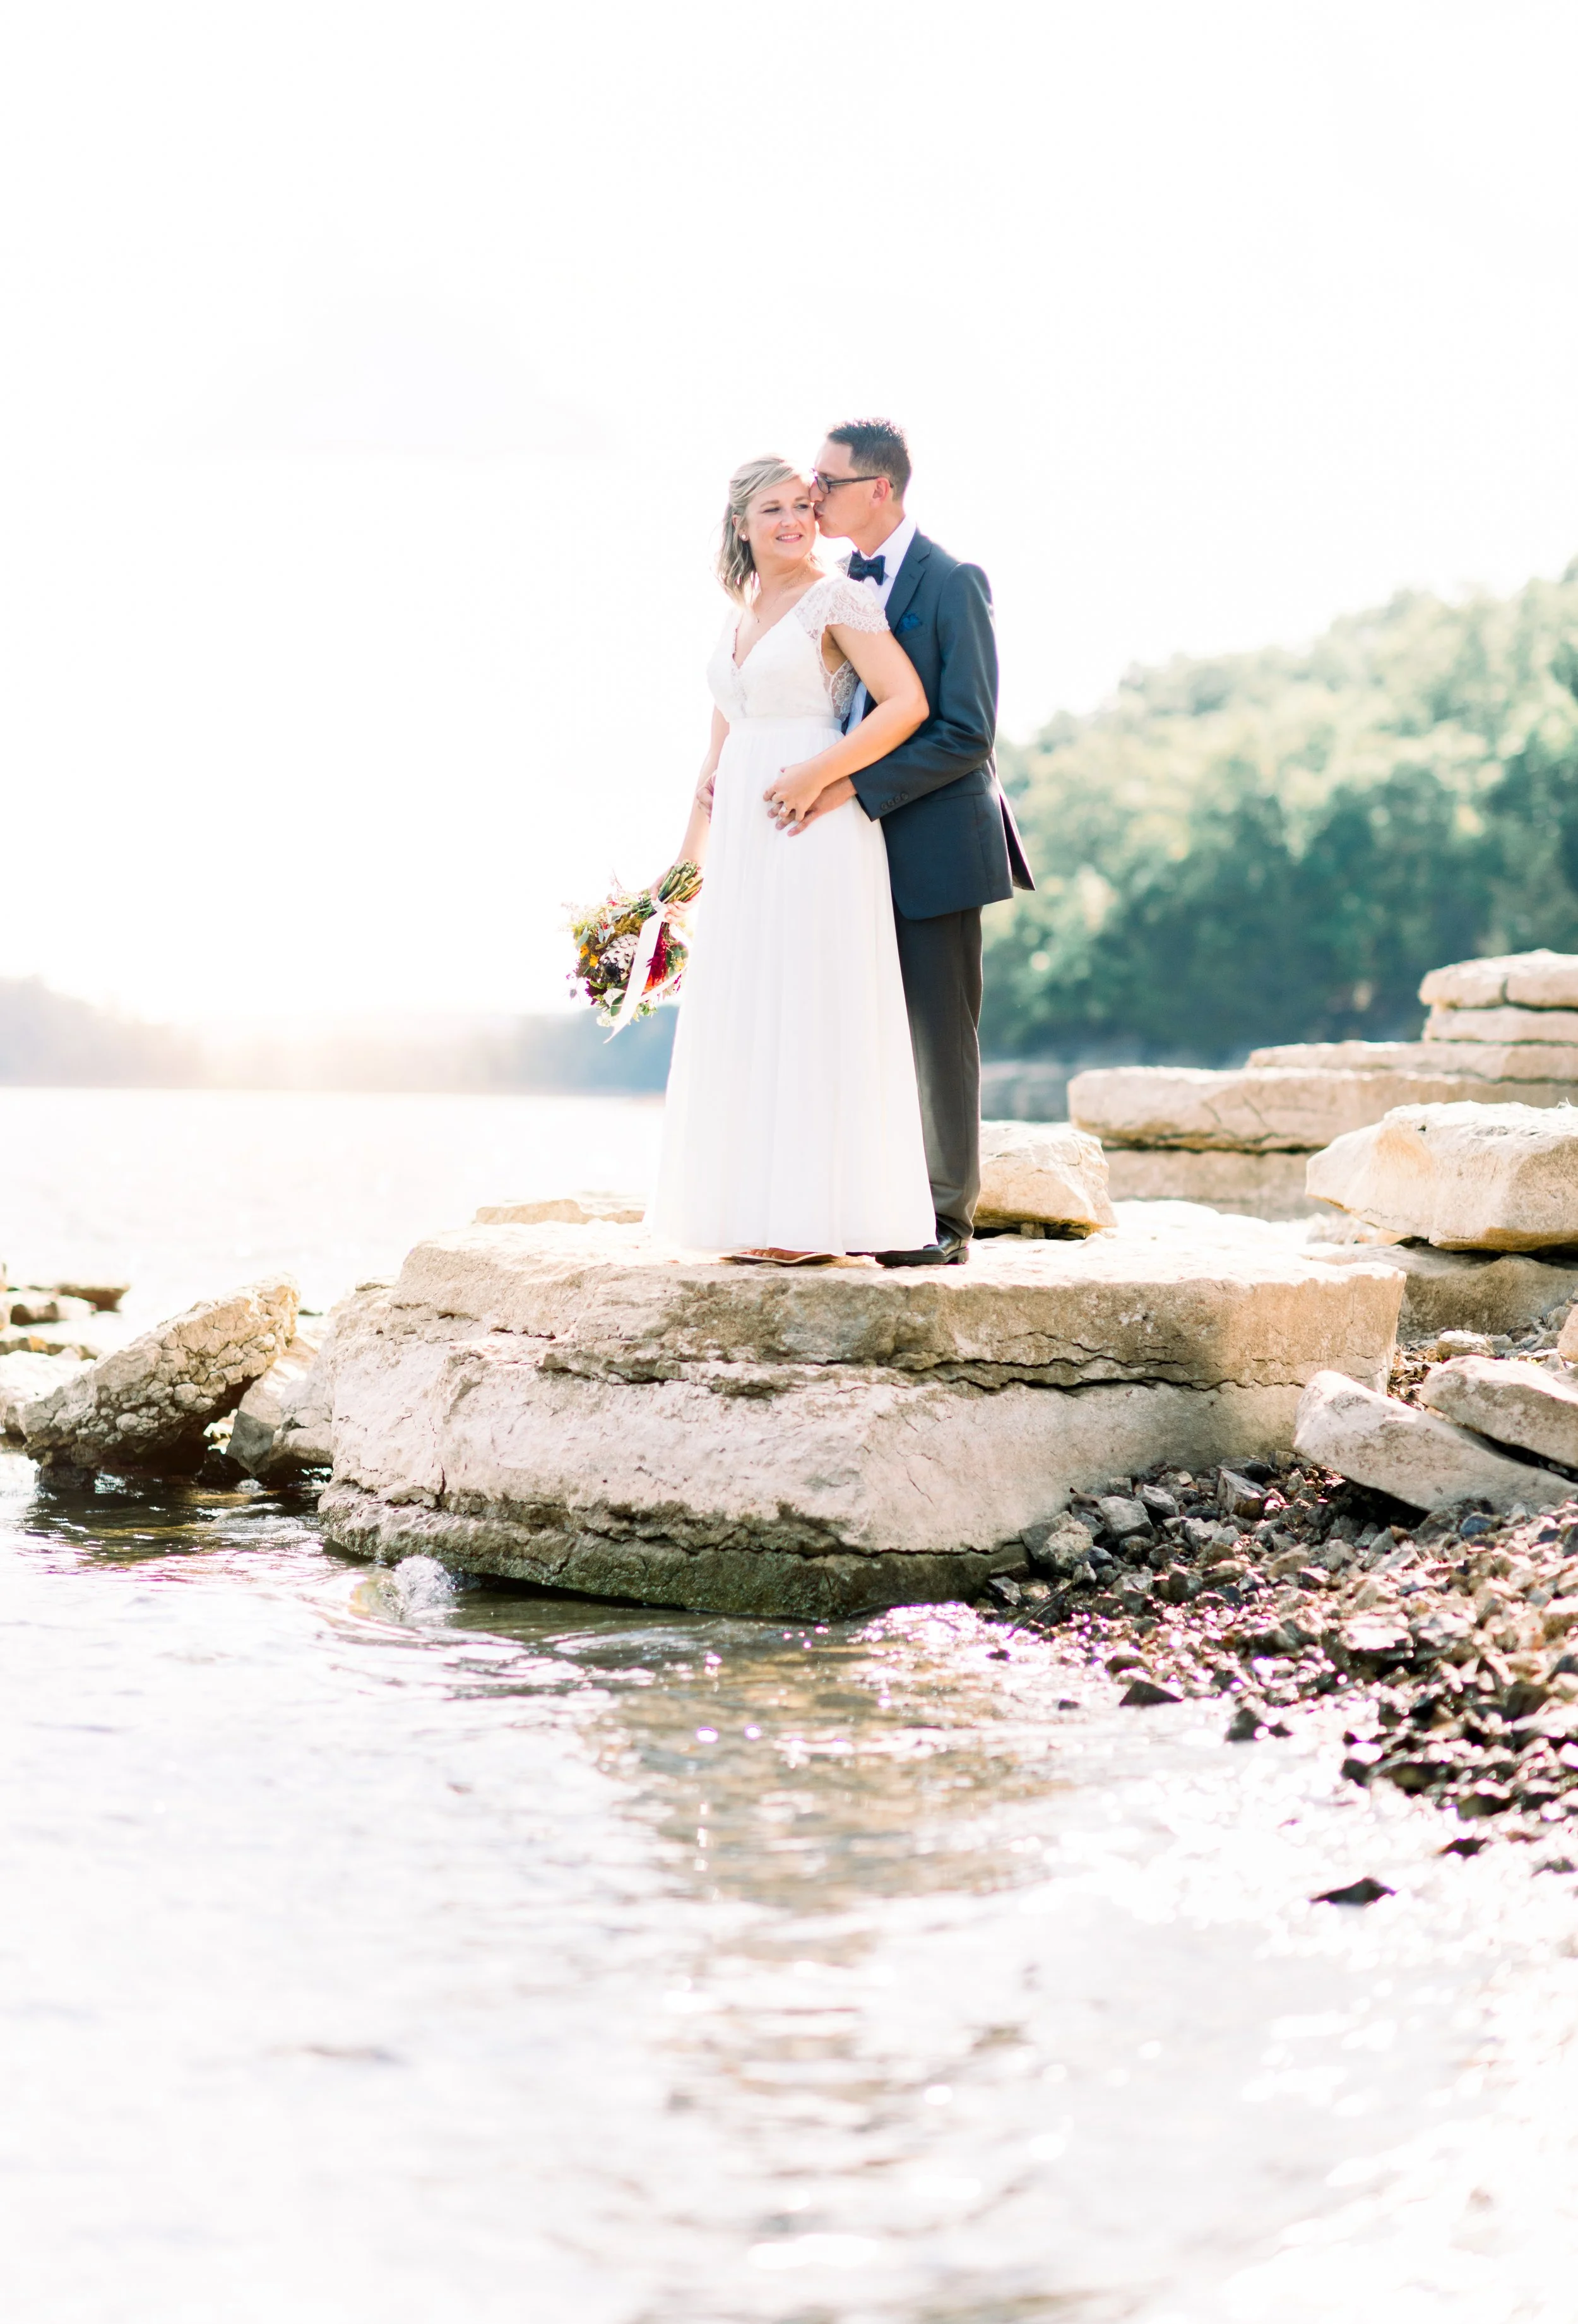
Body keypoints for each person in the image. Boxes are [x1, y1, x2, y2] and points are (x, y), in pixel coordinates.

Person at [646, 457, 936, 1262]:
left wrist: (822, 771)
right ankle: (756, 1216)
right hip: (743, 831)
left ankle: (814, 1224)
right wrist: (674, 886)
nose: (792, 521)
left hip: (812, 822)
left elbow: (908, 704)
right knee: (750, 1005)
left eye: (803, 507)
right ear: (739, 525)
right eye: (771, 509)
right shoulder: (738, 613)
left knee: (808, 1003)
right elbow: (715, 759)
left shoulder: (836, 599)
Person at [789, 419, 1035, 1266]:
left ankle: (946, 1224)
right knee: (857, 1030)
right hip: (843, 849)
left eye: (828, 481)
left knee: (938, 1034)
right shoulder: (824, 588)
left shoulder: (954, 580)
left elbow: (968, 731)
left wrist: (849, 787)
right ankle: (866, 1202)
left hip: (934, 843)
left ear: (881, 489)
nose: (812, 495)